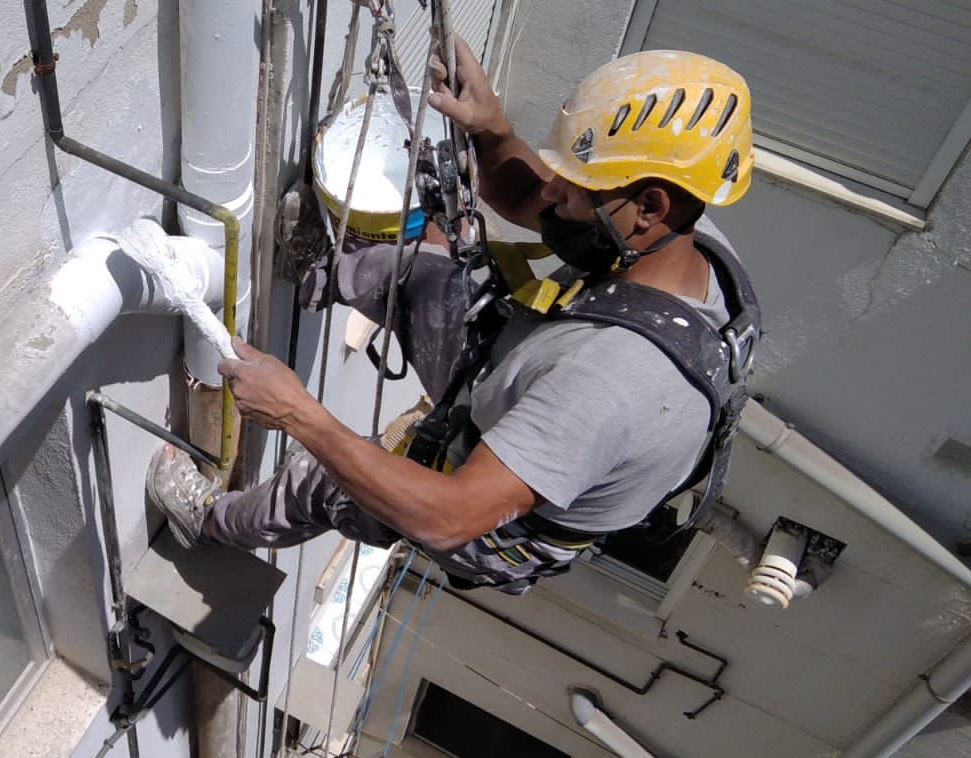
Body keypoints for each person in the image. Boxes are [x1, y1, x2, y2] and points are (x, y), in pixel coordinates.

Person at [149, 41, 760, 594]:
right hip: (516, 375)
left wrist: (296, 413)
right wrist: (492, 131)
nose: (552, 193)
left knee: (324, 482)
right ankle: (317, 265)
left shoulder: (606, 387)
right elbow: (528, 198)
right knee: (427, 274)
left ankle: (208, 522)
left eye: (575, 189)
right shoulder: (683, 234)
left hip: (488, 514)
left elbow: (447, 517)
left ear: (649, 206)